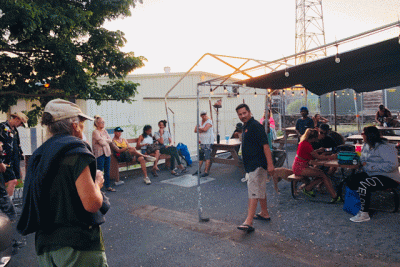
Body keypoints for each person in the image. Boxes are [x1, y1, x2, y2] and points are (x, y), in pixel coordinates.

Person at [17, 99, 108, 266]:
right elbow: (92, 204)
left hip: (45, 246)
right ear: (74, 125)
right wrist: (98, 183)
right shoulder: (75, 153)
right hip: (78, 246)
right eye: (81, 123)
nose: (82, 127)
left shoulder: (40, 155)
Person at [346, 126, 400, 223]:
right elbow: (363, 160)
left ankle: (364, 213)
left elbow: (393, 165)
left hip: (388, 177)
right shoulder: (366, 145)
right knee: (351, 179)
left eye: (363, 133)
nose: (362, 135)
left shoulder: (386, 147)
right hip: (372, 174)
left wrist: (371, 166)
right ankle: (358, 205)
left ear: (369, 136)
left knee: (365, 184)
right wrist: (360, 163)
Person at [235, 104, 274, 233]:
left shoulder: (256, 126)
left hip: (256, 164)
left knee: (253, 191)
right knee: (260, 188)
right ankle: (264, 213)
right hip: (253, 164)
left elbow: (266, 146)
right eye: (240, 114)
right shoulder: (246, 126)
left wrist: (270, 165)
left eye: (244, 113)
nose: (242, 116)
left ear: (249, 112)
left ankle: (249, 221)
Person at [292, 128, 341, 203]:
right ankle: (334, 196)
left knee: (323, 174)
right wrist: (332, 157)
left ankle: (308, 188)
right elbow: (318, 157)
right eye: (315, 138)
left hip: (300, 166)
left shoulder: (304, 142)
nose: (316, 140)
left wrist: (318, 151)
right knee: (323, 174)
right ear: (313, 138)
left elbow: (309, 153)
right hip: (300, 167)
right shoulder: (307, 144)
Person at [0, 112, 28, 199]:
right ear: (17, 119)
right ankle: (8, 204)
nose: (21, 125)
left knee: (11, 182)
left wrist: (18, 167)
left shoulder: (15, 131)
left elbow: (16, 147)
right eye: (21, 123)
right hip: (4, 161)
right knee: (12, 181)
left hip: (13, 161)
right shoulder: (2, 127)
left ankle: (7, 203)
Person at [92, 116, 116, 192]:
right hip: (100, 154)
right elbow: (101, 142)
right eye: (102, 122)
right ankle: (98, 189)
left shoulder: (105, 131)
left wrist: (105, 140)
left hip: (107, 153)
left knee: (107, 171)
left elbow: (110, 140)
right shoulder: (95, 132)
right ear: (97, 123)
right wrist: (106, 140)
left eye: (103, 122)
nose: (103, 123)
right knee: (99, 171)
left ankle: (108, 186)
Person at [193, 110, 214, 177]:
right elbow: (195, 130)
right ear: (201, 116)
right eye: (203, 115)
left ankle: (206, 171)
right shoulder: (200, 121)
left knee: (207, 156)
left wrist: (200, 128)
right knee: (201, 156)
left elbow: (205, 129)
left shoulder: (209, 121)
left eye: (205, 114)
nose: (204, 116)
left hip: (208, 141)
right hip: (202, 141)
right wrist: (201, 128)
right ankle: (198, 170)